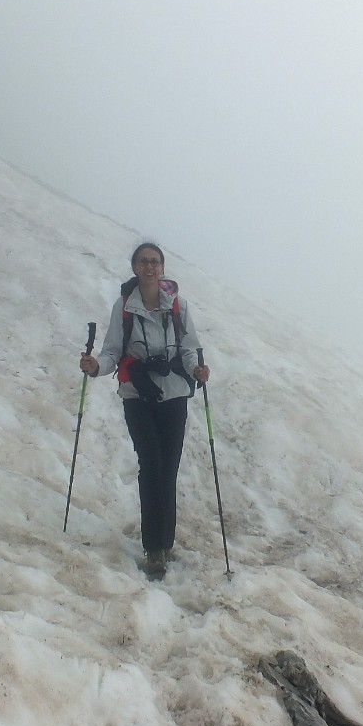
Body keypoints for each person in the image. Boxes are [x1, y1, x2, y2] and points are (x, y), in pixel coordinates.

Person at [79, 243, 210, 578]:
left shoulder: (178, 306)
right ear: (135, 267)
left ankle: (165, 543)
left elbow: (190, 347)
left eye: (155, 262)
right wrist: (96, 366)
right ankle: (154, 547)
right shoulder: (124, 307)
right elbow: (111, 350)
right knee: (151, 464)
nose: (149, 267)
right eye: (144, 261)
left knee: (167, 469)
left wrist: (197, 370)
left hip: (174, 394)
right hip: (137, 394)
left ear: (162, 268)